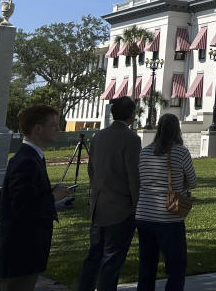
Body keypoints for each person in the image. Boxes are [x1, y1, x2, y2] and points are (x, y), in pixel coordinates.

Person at [0, 105, 68, 291]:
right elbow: (24, 208)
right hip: (21, 252)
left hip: (25, 251)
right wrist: (53, 198)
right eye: (53, 126)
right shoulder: (26, 161)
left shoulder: (32, 157)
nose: (58, 130)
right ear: (38, 128)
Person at [78, 96, 141, 291]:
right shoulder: (131, 139)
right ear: (132, 115)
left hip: (99, 206)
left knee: (94, 256)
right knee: (112, 260)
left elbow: (91, 170)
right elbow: (134, 176)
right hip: (121, 209)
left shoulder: (99, 136)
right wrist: (137, 206)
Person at [136, 113, 197, 291]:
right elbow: (193, 181)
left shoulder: (145, 151)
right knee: (176, 267)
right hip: (168, 215)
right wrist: (182, 184)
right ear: (177, 129)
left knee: (146, 265)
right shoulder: (180, 151)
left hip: (144, 213)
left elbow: (141, 177)